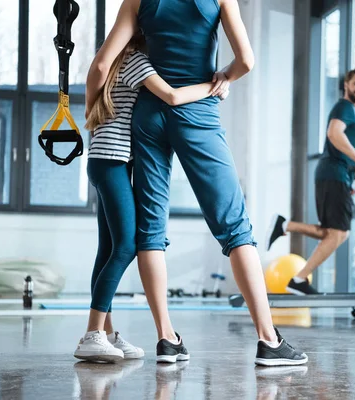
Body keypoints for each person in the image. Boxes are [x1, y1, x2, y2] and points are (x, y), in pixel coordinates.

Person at [86, 0, 307, 367]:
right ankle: (269, 340)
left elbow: (103, 63)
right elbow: (246, 61)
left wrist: (91, 113)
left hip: (149, 113)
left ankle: (167, 338)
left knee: (150, 231)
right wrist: (222, 79)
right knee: (235, 226)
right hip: (196, 111)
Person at [75, 31, 226, 363]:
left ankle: (107, 335)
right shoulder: (134, 60)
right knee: (127, 245)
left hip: (104, 162)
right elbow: (171, 96)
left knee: (108, 249)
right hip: (113, 163)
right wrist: (216, 85)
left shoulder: (114, 62)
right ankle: (92, 334)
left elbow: (96, 80)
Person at [267, 69, 355, 295]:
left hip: (337, 174)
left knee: (333, 232)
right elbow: (334, 134)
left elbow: (338, 146)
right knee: (338, 233)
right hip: (333, 174)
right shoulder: (344, 107)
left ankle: (286, 226)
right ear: (346, 85)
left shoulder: (349, 110)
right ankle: (298, 278)